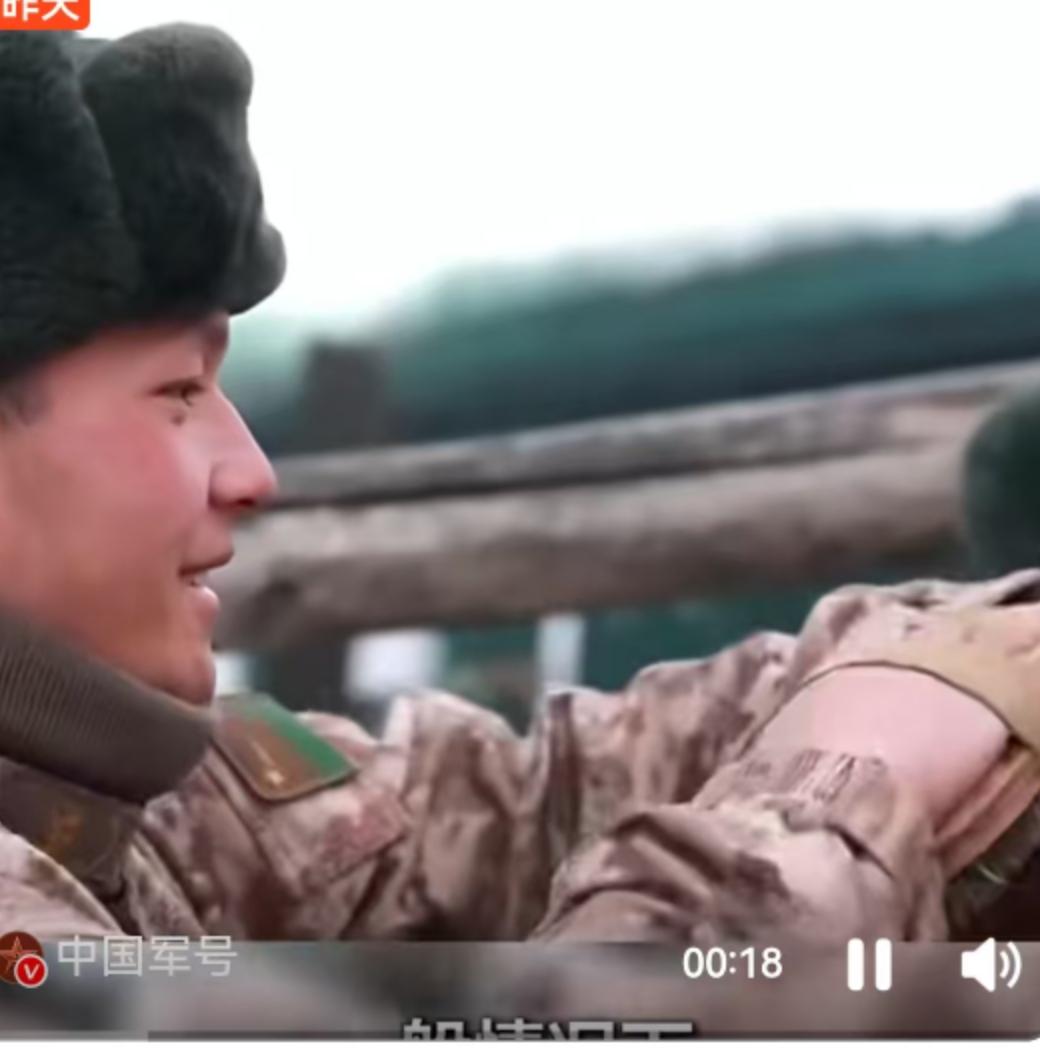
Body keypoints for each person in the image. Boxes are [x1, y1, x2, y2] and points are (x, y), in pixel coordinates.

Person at [0, 24, 1037, 945]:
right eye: (179, 392)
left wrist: (948, 665)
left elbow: (532, 802)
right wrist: (844, 782)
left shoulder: (157, 806)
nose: (251, 472)